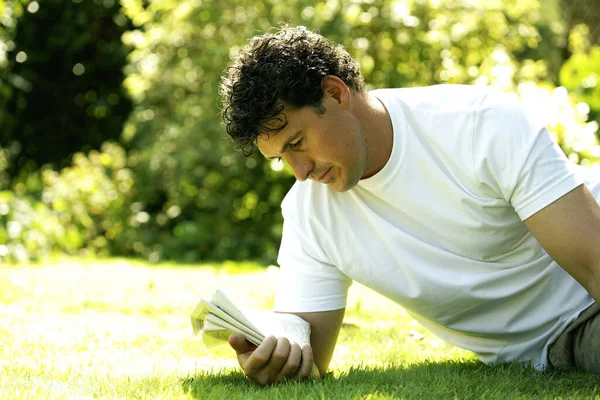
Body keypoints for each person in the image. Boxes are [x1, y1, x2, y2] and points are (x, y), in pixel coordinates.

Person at [219, 25, 600, 385]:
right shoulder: (310, 213)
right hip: (567, 338)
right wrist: (274, 357)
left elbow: (594, 263)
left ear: (335, 94)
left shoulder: (480, 125)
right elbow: (308, 350)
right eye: (281, 157)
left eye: (297, 142)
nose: (299, 172)